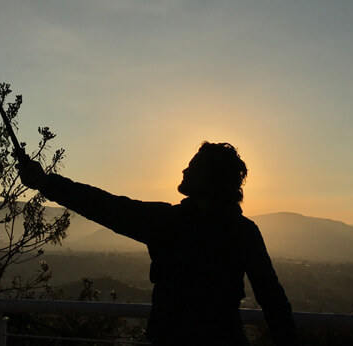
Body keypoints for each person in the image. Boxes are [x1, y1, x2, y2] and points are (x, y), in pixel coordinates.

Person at [16, 141, 298, 345]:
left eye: (194, 167)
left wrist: (45, 183)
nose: (185, 171)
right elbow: (273, 302)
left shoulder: (169, 223)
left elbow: (104, 206)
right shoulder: (243, 231)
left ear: (210, 180)